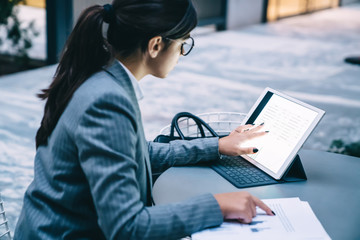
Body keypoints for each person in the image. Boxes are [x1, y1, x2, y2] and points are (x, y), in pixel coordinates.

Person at [14, 0, 274, 239]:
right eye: (183, 43)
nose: (182, 53)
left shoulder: (101, 75)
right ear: (156, 45)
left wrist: (217, 146)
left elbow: (136, 152)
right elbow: (127, 227)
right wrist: (216, 205)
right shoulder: (106, 100)